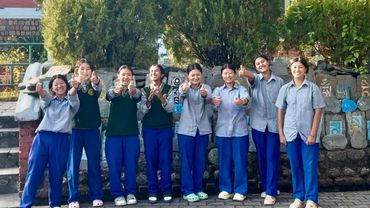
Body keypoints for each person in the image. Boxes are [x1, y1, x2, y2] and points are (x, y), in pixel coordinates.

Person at [20, 74, 80, 208]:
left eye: (62, 83)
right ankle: (25, 204)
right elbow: (44, 97)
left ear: (67, 85)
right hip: (42, 138)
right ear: (52, 88)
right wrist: (40, 90)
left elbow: (73, 97)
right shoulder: (49, 102)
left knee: (56, 173)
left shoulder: (71, 103)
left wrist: (75, 88)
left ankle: (55, 204)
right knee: (34, 171)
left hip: (61, 139)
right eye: (56, 84)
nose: (59, 86)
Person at [275, 57, 325, 208]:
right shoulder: (285, 89)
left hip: (308, 134)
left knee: (309, 167)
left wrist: (313, 134)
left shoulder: (312, 88)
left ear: (305, 70)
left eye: (300, 67)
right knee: (295, 166)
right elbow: (280, 111)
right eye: (294, 67)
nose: (297, 70)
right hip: (291, 133)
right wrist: (281, 133)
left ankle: (311, 199)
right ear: (290, 70)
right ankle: (298, 197)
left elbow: (318, 111)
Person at [239, 55, 284, 205]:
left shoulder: (279, 81)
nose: (261, 65)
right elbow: (251, 78)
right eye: (257, 63)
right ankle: (267, 187)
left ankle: (271, 192)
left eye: (263, 62)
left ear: (269, 63)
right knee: (262, 157)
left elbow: (283, 104)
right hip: (258, 124)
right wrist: (245, 73)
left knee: (272, 156)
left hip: (274, 125)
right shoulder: (255, 79)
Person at [67, 59, 104, 208]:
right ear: (77, 71)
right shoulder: (70, 83)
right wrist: (74, 87)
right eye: (82, 69)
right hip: (75, 130)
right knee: (73, 164)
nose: (85, 71)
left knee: (94, 163)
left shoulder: (94, 84)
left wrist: (95, 81)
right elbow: (68, 96)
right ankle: (73, 198)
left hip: (92, 129)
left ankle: (96, 195)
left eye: (88, 69)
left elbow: (99, 89)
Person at [212, 63, 250, 202]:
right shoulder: (217, 90)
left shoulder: (241, 89)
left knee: (240, 161)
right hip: (222, 131)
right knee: (224, 161)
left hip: (239, 131)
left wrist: (242, 102)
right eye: (225, 73)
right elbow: (212, 100)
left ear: (234, 74)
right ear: (222, 75)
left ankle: (241, 190)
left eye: (230, 73)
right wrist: (213, 101)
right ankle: (226, 188)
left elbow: (246, 99)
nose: (228, 76)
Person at [105, 65, 142, 206]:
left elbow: (137, 96)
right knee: (114, 165)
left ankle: (130, 192)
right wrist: (117, 90)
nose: (125, 77)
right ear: (118, 76)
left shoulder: (135, 92)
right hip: (113, 135)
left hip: (131, 135)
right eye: (123, 75)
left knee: (131, 164)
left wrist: (132, 90)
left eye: (128, 75)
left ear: (132, 77)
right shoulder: (112, 90)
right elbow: (110, 95)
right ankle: (117, 194)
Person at [139, 64, 174, 203]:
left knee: (165, 159)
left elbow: (172, 109)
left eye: (156, 71)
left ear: (162, 75)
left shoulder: (169, 89)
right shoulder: (144, 90)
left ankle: (166, 189)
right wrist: (149, 100)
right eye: (151, 71)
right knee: (151, 160)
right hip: (149, 130)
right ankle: (152, 190)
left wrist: (162, 99)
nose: (153, 73)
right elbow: (141, 111)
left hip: (165, 129)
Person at [177, 63, 212, 202]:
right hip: (186, 131)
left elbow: (210, 97)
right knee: (186, 161)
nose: (195, 77)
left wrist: (205, 95)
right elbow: (179, 97)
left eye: (198, 74)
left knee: (199, 161)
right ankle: (187, 190)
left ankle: (198, 188)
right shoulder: (183, 87)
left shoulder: (206, 88)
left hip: (202, 130)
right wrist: (184, 91)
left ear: (201, 75)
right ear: (188, 76)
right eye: (192, 75)